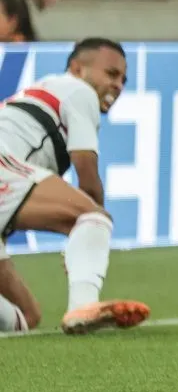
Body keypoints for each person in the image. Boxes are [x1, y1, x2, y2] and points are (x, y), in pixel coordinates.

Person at [0, 38, 149, 334]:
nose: (118, 85)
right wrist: (88, 238)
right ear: (77, 68)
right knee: (92, 217)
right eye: (111, 74)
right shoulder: (79, 92)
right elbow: (88, 179)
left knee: (25, 317)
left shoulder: (45, 92)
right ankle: (83, 305)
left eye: (123, 79)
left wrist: (84, 244)